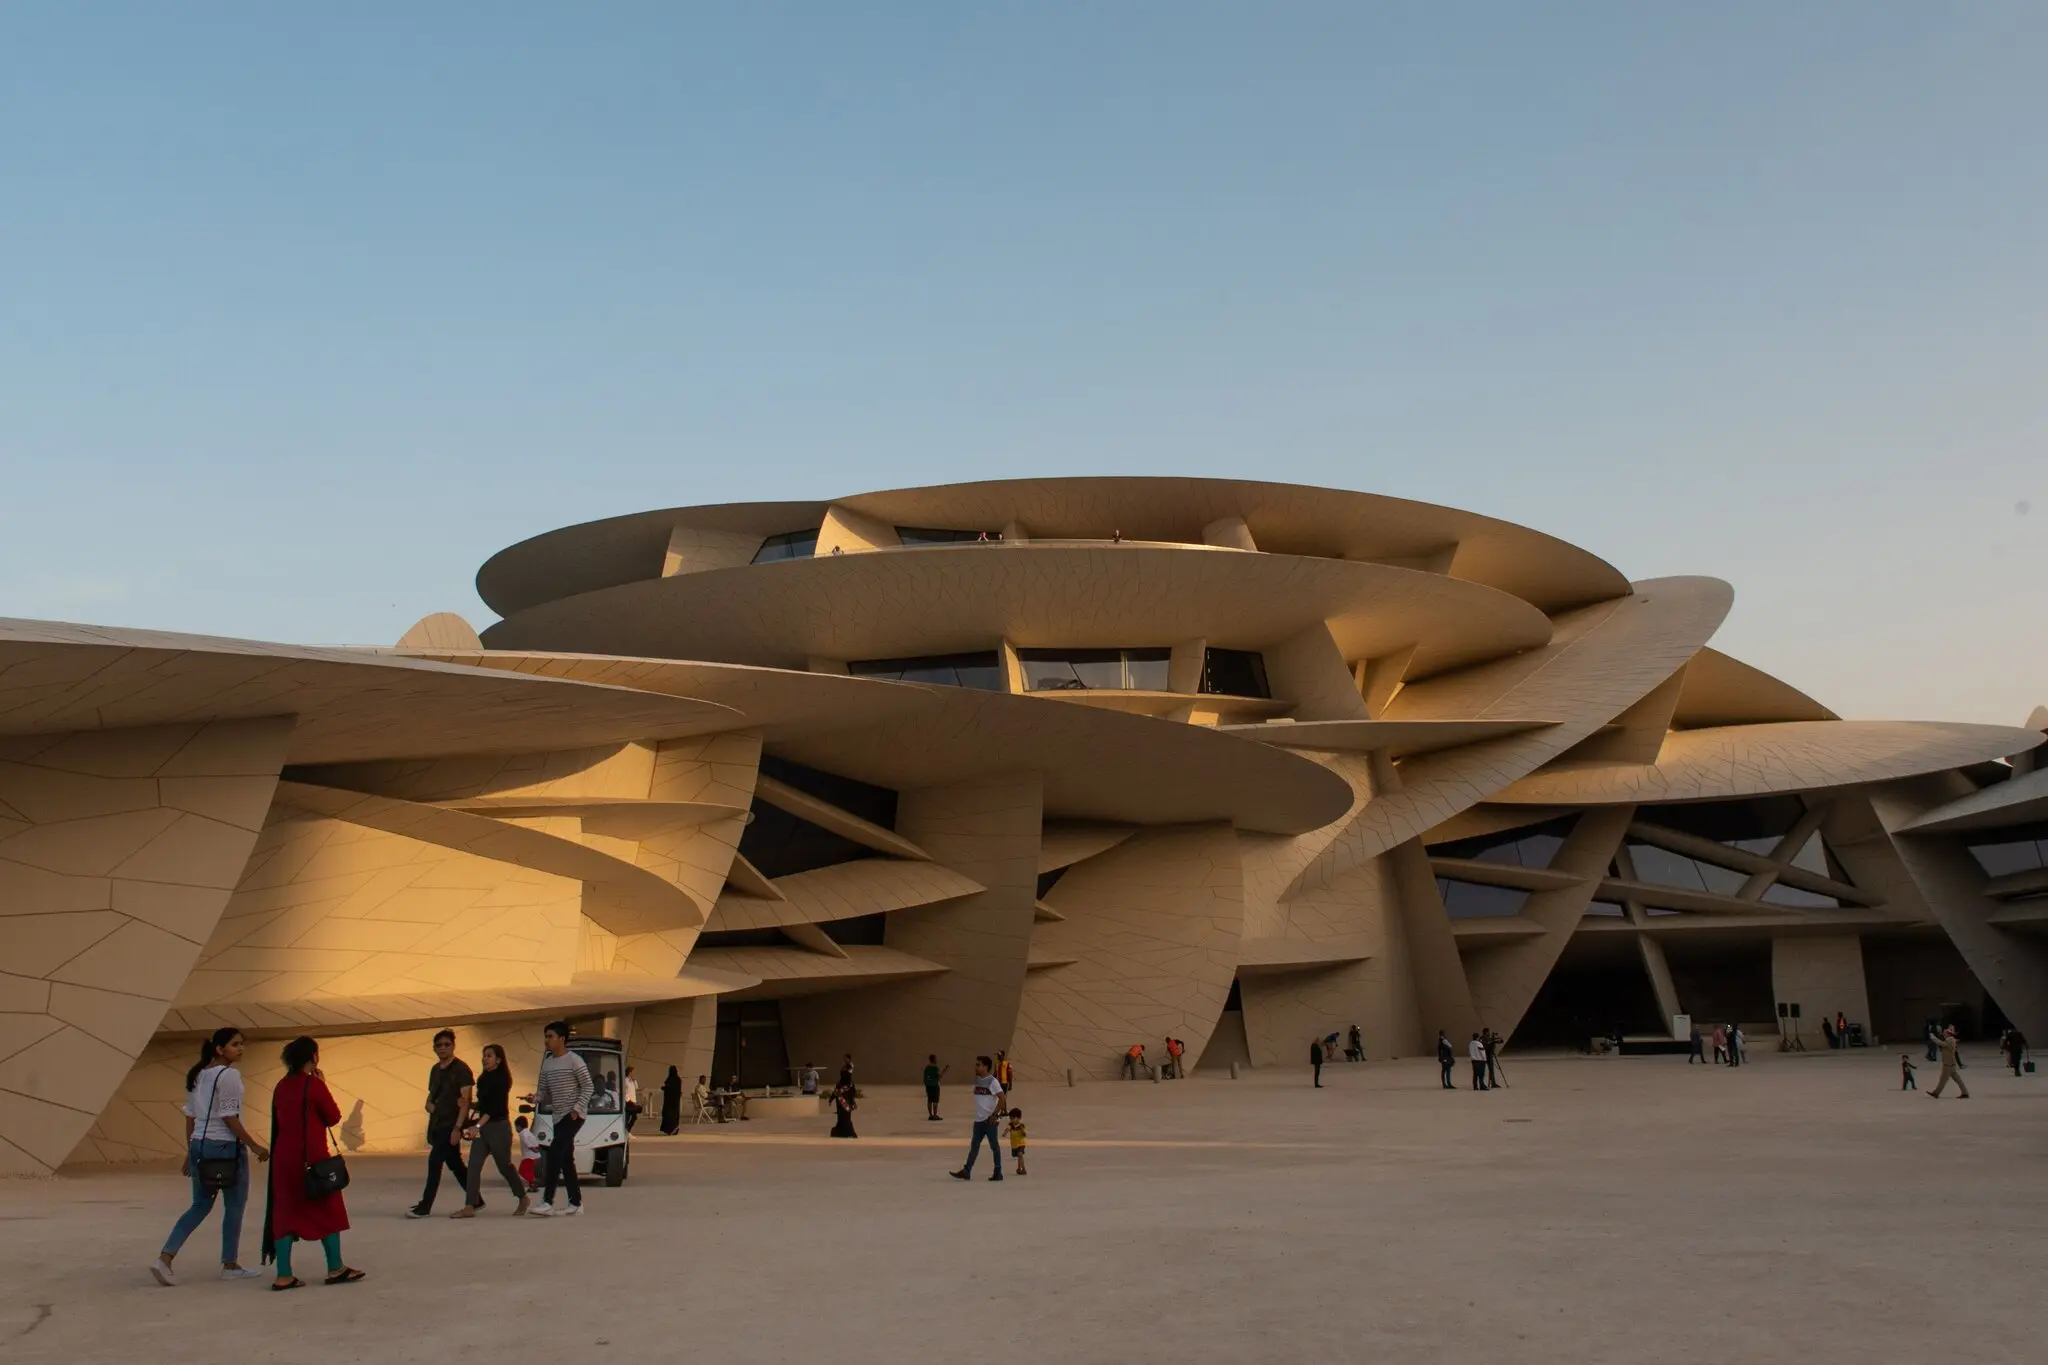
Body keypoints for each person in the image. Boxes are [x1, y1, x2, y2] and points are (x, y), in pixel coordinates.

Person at [151, 1026, 271, 1286]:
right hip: (225, 1147)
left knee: (200, 1205)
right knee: (235, 1205)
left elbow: (191, 1117)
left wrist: (190, 1151)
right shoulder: (229, 1076)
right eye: (235, 1044)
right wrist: (254, 1145)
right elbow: (229, 1116)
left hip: (200, 1145)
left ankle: (165, 1257)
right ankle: (229, 1264)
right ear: (220, 1049)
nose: (240, 1049)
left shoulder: (198, 1075)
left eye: (241, 1044)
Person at [263, 1035, 362, 1289]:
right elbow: (333, 1116)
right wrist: (322, 1084)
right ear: (313, 1057)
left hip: (283, 1159)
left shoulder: (280, 1086)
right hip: (312, 1157)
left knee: (284, 1213)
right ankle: (335, 1267)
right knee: (328, 1209)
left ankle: (283, 1273)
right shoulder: (313, 1085)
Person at [454, 1043, 527, 1218]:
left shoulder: (502, 1080)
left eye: (489, 1056)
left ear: (498, 1060)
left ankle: (522, 1197)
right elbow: (484, 1105)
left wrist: (476, 1126)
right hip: (483, 1127)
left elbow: (493, 1109)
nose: (485, 1059)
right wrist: (468, 1105)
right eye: (484, 1055)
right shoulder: (483, 1079)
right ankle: (470, 1205)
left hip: (498, 1127)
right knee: (474, 1165)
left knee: (505, 1167)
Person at [529, 1019, 593, 1216]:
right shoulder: (547, 1063)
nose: (547, 1041)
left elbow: (588, 1086)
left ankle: (547, 1201)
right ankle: (576, 1203)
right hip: (557, 1116)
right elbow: (543, 1091)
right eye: (545, 1037)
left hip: (573, 1116)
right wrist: (534, 1098)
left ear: (562, 1039)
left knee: (555, 1152)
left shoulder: (574, 1060)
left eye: (550, 1037)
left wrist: (576, 1109)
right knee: (566, 1159)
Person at [407, 1028, 472, 1218]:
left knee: (435, 1162)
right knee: (456, 1165)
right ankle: (476, 1199)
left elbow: (465, 1100)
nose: (443, 1048)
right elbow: (432, 1095)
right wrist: (429, 1105)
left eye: (447, 1044)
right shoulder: (435, 1070)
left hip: (451, 1125)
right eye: (439, 1045)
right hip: (437, 1124)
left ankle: (425, 1206)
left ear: (453, 1046)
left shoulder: (461, 1069)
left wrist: (458, 1128)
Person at [949, 1056, 1006, 1182]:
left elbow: (1002, 1098)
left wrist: (995, 1115)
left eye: (978, 1064)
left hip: (989, 1121)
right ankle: (967, 1171)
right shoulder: (978, 1080)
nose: (976, 1067)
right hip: (979, 1121)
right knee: (974, 1146)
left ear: (985, 1067)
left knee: (994, 1146)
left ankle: (998, 1172)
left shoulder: (993, 1081)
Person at [1929, 1025, 1970, 1099]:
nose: (1944, 1034)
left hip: (1948, 1064)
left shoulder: (1950, 1040)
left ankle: (1936, 1093)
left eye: (1945, 1033)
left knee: (1943, 1080)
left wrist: (1933, 1038)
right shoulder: (1949, 1039)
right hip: (1950, 1064)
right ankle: (1965, 1092)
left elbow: (1942, 1044)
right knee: (1957, 1079)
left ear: (1948, 1034)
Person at [515, 1116, 541, 1191]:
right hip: (534, 1156)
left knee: (522, 1171)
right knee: (529, 1171)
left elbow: (527, 1143)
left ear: (519, 1126)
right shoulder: (529, 1132)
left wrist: (533, 1149)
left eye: (516, 1127)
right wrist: (536, 1149)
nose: (516, 1129)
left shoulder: (522, 1134)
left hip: (529, 1156)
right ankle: (532, 1187)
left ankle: (534, 1181)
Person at [660, 1065, 683, 1135]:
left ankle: (669, 1129)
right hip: (675, 1101)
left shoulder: (670, 1079)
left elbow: (669, 1088)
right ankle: (675, 1128)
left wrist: (664, 1088)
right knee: (674, 1115)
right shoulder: (678, 1080)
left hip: (669, 1101)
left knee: (668, 1115)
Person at [923, 1054, 946, 1120]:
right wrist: (944, 1070)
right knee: (935, 1101)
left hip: (928, 1086)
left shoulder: (927, 1068)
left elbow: (924, 1077)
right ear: (933, 1059)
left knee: (929, 1100)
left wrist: (926, 1084)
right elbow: (939, 1077)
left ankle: (930, 1115)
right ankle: (935, 1115)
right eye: (936, 1059)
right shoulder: (935, 1068)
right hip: (935, 1085)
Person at [1007, 1107, 1028, 1176]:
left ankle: (1024, 1169)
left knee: (1020, 1154)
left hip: (1021, 1143)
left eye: (1013, 1118)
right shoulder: (1011, 1125)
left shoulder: (1021, 1126)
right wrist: (1005, 1133)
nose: (1011, 1120)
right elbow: (1007, 1129)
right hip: (1014, 1143)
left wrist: (1022, 1131)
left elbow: (1024, 1134)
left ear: (1018, 1118)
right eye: (1011, 1118)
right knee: (1019, 1156)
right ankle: (1019, 1169)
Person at [622, 1066, 640, 1132]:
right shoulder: (625, 1080)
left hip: (633, 1101)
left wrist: (634, 1080)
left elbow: (637, 1088)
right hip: (628, 1101)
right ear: (629, 1072)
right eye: (632, 1072)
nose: (633, 1074)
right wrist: (627, 1099)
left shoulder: (632, 1081)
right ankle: (627, 1131)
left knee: (630, 1117)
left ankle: (627, 1131)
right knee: (632, 1116)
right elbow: (624, 1091)